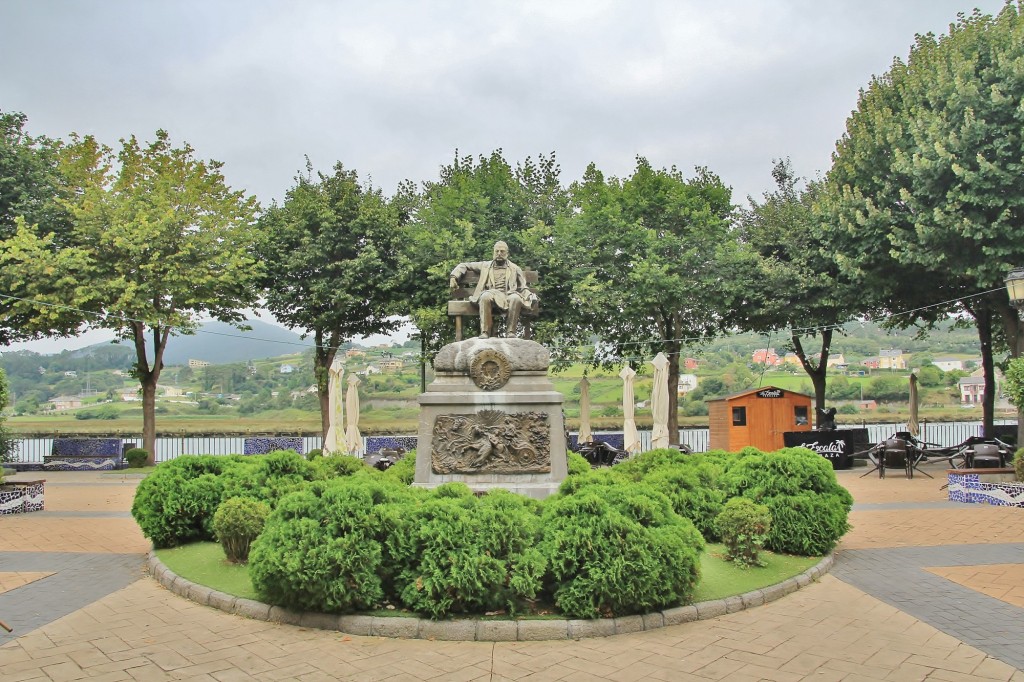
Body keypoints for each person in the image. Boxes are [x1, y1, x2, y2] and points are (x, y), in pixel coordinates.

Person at [449, 241, 538, 339]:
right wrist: (454, 277)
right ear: (493, 253)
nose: (499, 253)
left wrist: (530, 296)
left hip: (507, 295)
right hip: (491, 294)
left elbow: (523, 287)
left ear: (507, 254)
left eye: (502, 251)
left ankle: (511, 332)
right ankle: (485, 332)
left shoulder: (515, 268)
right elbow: (464, 265)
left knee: (516, 298)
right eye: (497, 251)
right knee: (485, 296)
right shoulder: (485, 266)